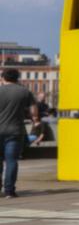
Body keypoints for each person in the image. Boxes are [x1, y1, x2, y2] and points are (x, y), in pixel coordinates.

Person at [0, 69, 41, 199]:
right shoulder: (24, 91)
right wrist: (35, 120)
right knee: (11, 161)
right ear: (17, 78)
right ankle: (9, 191)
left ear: (3, 78)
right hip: (15, 131)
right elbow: (34, 110)